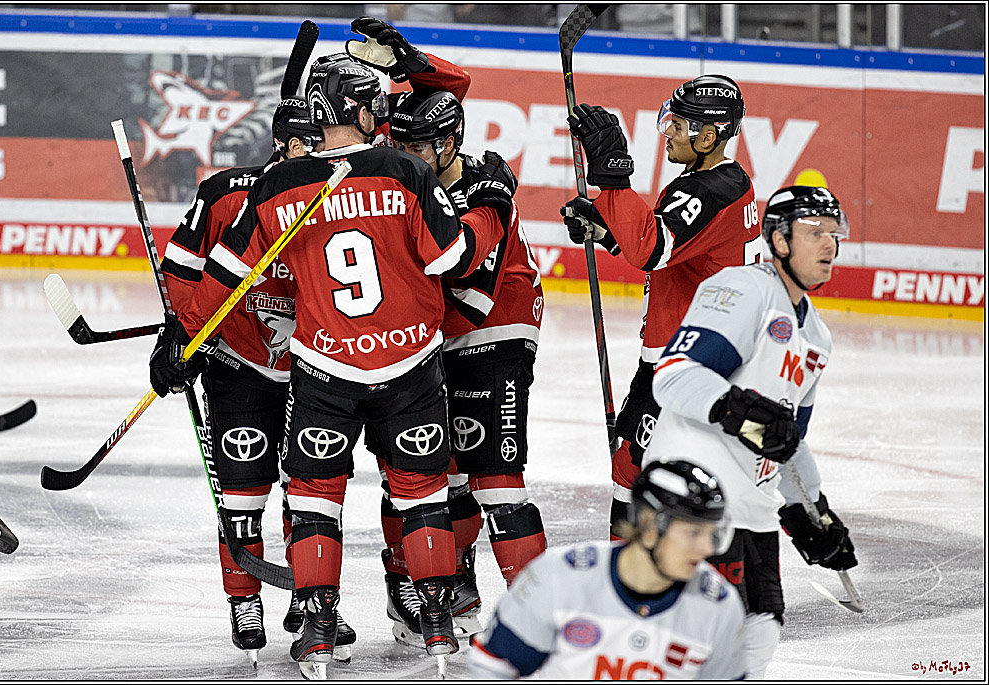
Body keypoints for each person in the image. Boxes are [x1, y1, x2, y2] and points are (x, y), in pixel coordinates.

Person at [149, 53, 512, 671]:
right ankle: (435, 620)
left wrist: (183, 340)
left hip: (324, 367)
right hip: (410, 365)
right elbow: (454, 258)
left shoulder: (279, 187)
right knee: (421, 489)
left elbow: (222, 280)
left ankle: (317, 626)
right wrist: (492, 208)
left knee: (316, 494)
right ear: (363, 113)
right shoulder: (404, 170)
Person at [346, 15, 546, 647]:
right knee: (432, 473)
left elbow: (469, 291)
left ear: (450, 143)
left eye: (419, 149)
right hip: (430, 338)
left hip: (494, 333)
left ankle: (540, 612)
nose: (405, 158)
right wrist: (409, 61)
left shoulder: (485, 186)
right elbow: (446, 88)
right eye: (399, 145)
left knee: (496, 480)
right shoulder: (416, 160)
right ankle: (431, 586)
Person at [157, 97, 360, 667]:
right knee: (242, 492)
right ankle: (244, 600)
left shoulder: (346, 190)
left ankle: (312, 600)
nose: (327, 151)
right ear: (288, 145)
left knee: (312, 494)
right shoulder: (225, 192)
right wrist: (181, 338)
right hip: (239, 363)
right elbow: (182, 271)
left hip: (318, 367)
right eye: (315, 142)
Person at [645, 185, 859, 677]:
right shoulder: (744, 290)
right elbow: (674, 375)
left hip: (753, 510)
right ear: (779, 240)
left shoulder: (817, 337)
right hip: (696, 498)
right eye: (814, 232)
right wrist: (741, 411)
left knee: (759, 635)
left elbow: (787, 442)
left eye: (834, 234)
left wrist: (811, 512)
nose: (829, 244)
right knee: (700, 647)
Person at [560, 75, 763, 539]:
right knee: (631, 464)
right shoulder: (723, 184)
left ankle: (633, 572)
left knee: (638, 472)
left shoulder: (708, 191)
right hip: (695, 359)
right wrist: (607, 231)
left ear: (708, 137)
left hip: (687, 367)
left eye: (678, 124)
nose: (667, 131)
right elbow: (678, 255)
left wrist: (613, 177)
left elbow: (651, 249)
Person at [469, 459, 746, 680]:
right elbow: (493, 668)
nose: (707, 548)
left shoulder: (719, 606)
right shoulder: (558, 578)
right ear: (649, 526)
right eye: (693, 533)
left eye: (712, 534)